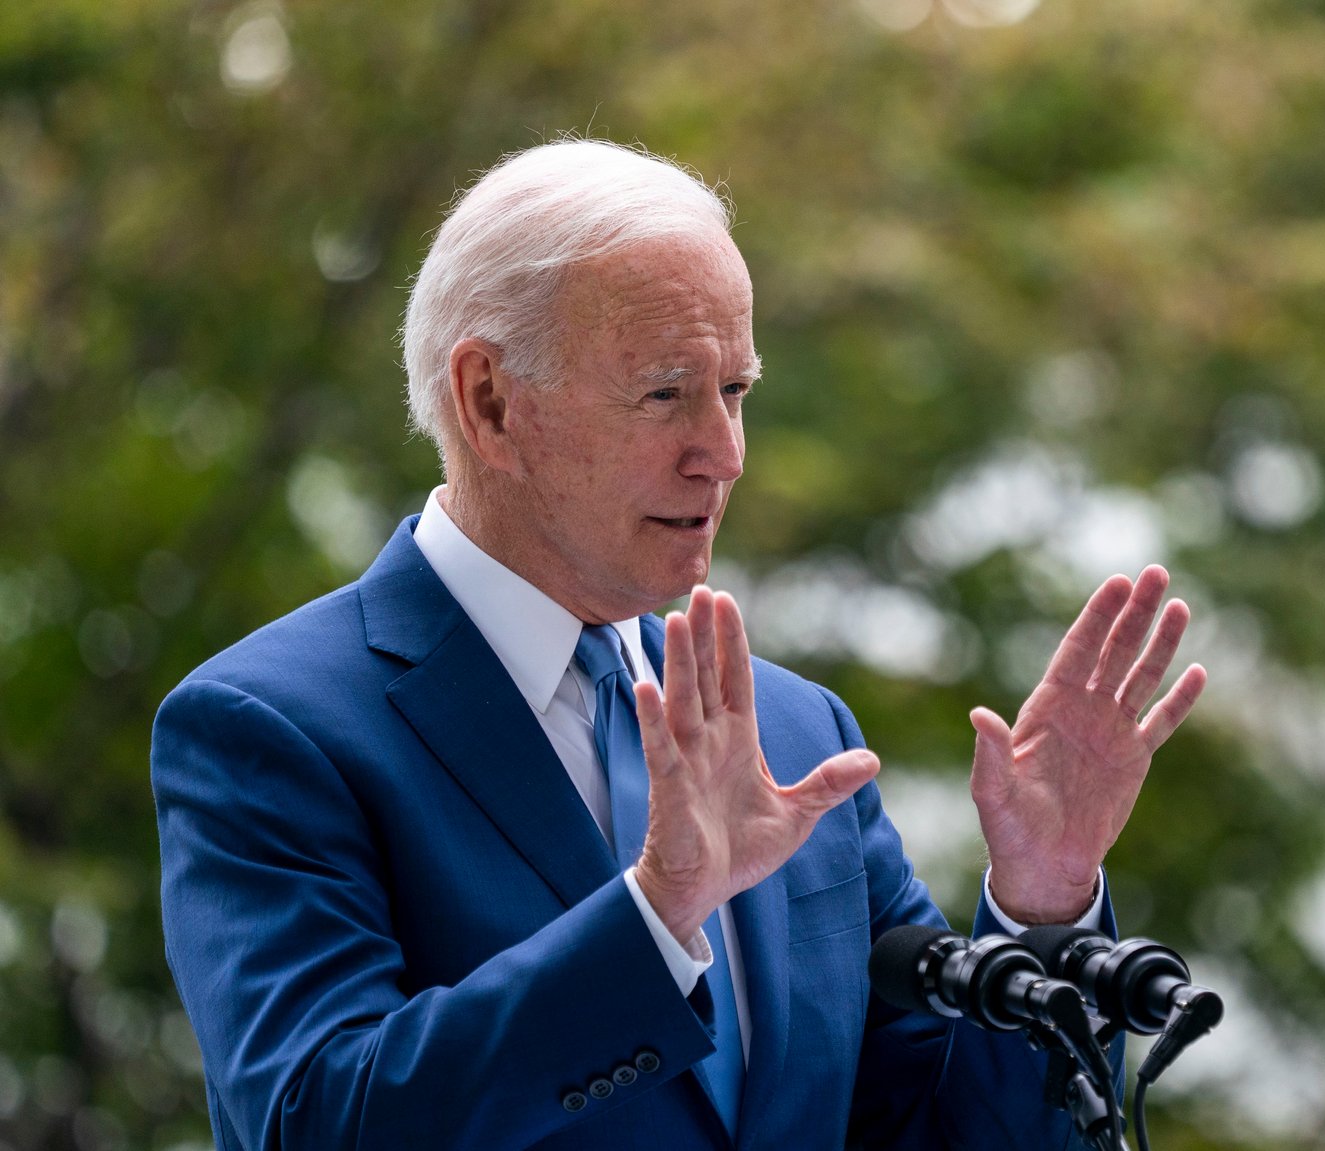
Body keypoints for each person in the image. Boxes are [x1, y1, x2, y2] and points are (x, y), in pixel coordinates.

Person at [150, 138, 1206, 1151]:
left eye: (736, 390)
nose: (724, 453)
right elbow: (313, 1122)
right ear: (489, 402)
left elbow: (943, 1133)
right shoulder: (270, 725)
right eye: (666, 392)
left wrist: (1039, 902)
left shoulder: (797, 732)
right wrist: (655, 913)